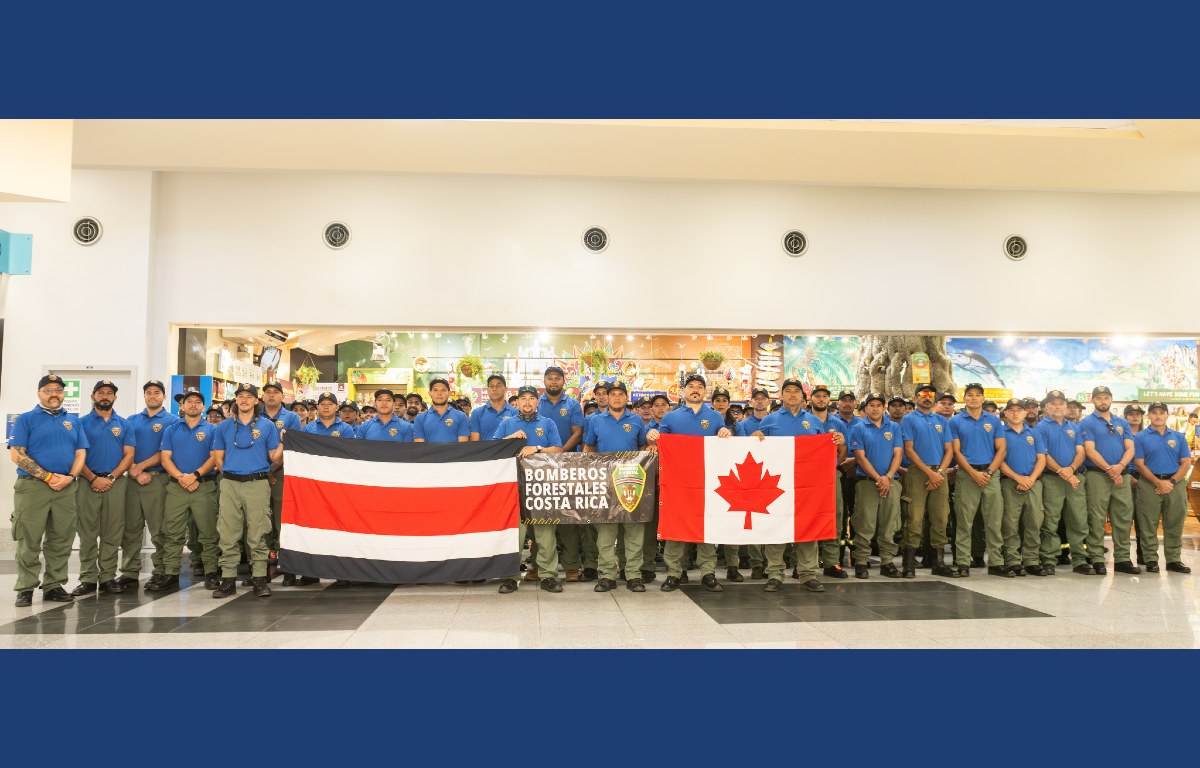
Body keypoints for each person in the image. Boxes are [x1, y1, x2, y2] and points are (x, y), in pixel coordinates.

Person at [749, 377, 840, 592]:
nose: (792, 395)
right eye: (787, 391)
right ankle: (774, 573)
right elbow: (758, 453)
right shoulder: (769, 421)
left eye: (796, 392)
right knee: (776, 528)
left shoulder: (814, 422)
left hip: (807, 485)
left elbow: (825, 450)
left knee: (808, 527)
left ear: (803, 396)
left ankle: (808, 573)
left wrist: (836, 440)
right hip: (777, 483)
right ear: (781, 396)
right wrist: (756, 438)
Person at [645, 374, 731, 592]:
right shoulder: (672, 417)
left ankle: (708, 572)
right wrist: (652, 435)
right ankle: (674, 572)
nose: (695, 390)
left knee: (707, 527)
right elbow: (657, 441)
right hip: (677, 483)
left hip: (707, 483)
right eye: (691, 386)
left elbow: (724, 448)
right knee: (676, 526)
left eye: (699, 387)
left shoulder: (715, 417)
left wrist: (725, 433)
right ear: (683, 392)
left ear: (705, 392)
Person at [9, 374, 88, 607]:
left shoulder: (73, 421)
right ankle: (25, 588)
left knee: (61, 538)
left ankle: (54, 585)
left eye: (58, 390)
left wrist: (71, 477)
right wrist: (48, 476)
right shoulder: (25, 419)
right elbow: (17, 454)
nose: (54, 393)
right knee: (28, 539)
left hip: (65, 488)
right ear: (38, 393)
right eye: (48, 389)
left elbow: (80, 453)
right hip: (33, 488)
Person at [211, 383, 283, 598]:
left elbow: (274, 457)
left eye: (248, 397)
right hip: (230, 483)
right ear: (236, 401)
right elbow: (218, 459)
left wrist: (283, 442)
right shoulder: (224, 427)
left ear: (256, 401)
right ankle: (228, 579)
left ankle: (259, 578)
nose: (244, 400)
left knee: (259, 531)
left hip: (257, 483)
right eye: (240, 396)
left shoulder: (267, 426)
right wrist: (234, 473)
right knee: (228, 531)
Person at [493, 385, 564, 594]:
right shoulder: (507, 424)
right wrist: (511, 439)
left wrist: (538, 448)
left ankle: (548, 575)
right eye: (522, 398)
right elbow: (492, 448)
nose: (527, 402)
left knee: (545, 535)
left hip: (542, 487)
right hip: (514, 488)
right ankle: (510, 577)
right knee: (514, 534)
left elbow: (558, 450)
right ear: (517, 402)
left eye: (531, 398)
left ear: (537, 402)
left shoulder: (548, 423)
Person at [583, 381, 649, 593]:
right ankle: (607, 575)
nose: (617, 398)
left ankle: (633, 575)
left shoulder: (637, 420)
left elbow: (642, 448)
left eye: (621, 394)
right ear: (607, 398)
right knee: (605, 533)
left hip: (631, 481)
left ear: (626, 398)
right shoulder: (595, 421)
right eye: (613, 395)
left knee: (634, 531)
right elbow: (589, 447)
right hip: (604, 483)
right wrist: (586, 469)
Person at [72, 380, 137, 596]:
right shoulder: (80, 423)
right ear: (93, 396)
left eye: (109, 393)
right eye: (101, 392)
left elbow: (129, 455)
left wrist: (110, 477)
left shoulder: (125, 424)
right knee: (88, 532)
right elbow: (77, 454)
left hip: (116, 483)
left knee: (113, 531)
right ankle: (88, 578)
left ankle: (108, 576)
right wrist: (92, 478)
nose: (105, 396)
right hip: (86, 482)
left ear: (115, 398)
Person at [158, 387, 221, 590]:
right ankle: (171, 573)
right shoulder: (172, 430)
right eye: (189, 401)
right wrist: (181, 477)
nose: (193, 405)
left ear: (203, 406)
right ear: (182, 406)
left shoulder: (212, 429)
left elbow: (214, 457)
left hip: (203, 486)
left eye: (197, 402)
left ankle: (211, 572)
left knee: (208, 532)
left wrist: (194, 476)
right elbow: (165, 457)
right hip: (177, 488)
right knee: (173, 533)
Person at [122, 380, 180, 591]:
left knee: (159, 529)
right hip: (133, 480)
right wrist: (135, 472)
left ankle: (163, 570)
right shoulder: (131, 421)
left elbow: (166, 452)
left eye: (157, 393)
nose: (152, 396)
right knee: (131, 528)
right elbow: (126, 450)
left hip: (158, 480)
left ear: (164, 397)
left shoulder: (172, 421)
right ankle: (129, 572)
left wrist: (142, 468)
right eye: (148, 393)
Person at [949, 382, 1006, 577]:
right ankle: (963, 562)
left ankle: (997, 562)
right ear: (964, 398)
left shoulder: (994, 421)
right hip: (967, 475)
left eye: (977, 395)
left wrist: (989, 472)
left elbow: (1001, 449)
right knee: (965, 521)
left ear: (983, 398)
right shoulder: (955, 421)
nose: (973, 398)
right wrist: (973, 473)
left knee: (994, 521)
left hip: (991, 474)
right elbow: (956, 451)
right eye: (970, 395)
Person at [538, 366, 590, 580]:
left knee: (567, 516)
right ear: (544, 381)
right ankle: (536, 564)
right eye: (549, 378)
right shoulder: (535, 402)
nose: (553, 382)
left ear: (563, 381)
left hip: (567, 464)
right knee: (539, 516)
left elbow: (577, 433)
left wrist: (560, 454)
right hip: (538, 467)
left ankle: (571, 566)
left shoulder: (572, 404)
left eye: (557, 378)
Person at [1080, 386, 1138, 574]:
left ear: (1111, 400)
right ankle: (1097, 558)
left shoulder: (1122, 422)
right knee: (1096, 517)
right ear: (1093, 401)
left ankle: (1122, 559)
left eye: (1106, 398)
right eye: (1099, 398)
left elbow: (1130, 448)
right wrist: (1109, 469)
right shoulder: (1087, 422)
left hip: (1122, 475)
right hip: (1097, 475)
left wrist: (1120, 467)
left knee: (1123, 517)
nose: (1102, 401)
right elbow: (1089, 450)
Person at [900, 383, 956, 578]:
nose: (927, 397)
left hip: (939, 473)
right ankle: (909, 564)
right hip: (917, 472)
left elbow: (949, 449)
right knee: (914, 517)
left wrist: (939, 472)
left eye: (931, 394)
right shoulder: (909, 419)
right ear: (916, 398)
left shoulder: (942, 420)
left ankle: (938, 562)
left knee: (940, 517)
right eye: (923, 394)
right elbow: (909, 449)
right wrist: (929, 473)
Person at [1035, 390, 1092, 575]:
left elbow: (1081, 451)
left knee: (1078, 519)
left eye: (1061, 403)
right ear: (1046, 407)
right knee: (1050, 521)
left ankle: (1080, 559)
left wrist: (1071, 470)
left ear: (1066, 407)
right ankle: (1049, 559)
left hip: (1075, 478)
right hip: (1052, 479)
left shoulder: (1074, 427)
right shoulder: (1040, 427)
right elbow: (1043, 454)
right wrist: (1063, 472)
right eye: (1053, 403)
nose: (1057, 406)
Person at [847, 393, 904, 579]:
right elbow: (860, 457)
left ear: (884, 407)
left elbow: (898, 454)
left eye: (879, 405)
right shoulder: (859, 428)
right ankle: (861, 562)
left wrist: (887, 476)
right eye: (871, 405)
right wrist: (879, 478)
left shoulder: (893, 427)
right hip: (867, 483)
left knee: (890, 524)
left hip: (891, 483)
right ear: (866, 408)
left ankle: (887, 562)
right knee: (865, 523)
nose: (875, 408)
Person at [1132, 402, 1193, 574]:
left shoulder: (1178, 437)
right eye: (1154, 413)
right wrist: (1157, 482)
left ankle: (1173, 559)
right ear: (1149, 416)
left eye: (1161, 413)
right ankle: (1151, 559)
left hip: (1175, 484)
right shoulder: (1140, 438)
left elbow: (1186, 463)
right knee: (1147, 523)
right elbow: (1138, 464)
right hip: (1149, 484)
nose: (1158, 416)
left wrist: (1171, 482)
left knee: (1174, 522)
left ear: (1167, 415)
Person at [997, 399, 1048, 576]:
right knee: (1010, 522)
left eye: (1020, 410)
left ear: (1026, 413)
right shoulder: (1000, 433)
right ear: (1005, 414)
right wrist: (1017, 477)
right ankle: (1012, 560)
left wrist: (1031, 479)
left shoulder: (1034, 433)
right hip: (1009, 482)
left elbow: (1042, 458)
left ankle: (1032, 560)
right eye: (1011, 410)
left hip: (1033, 483)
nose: (1016, 413)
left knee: (1034, 521)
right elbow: (999, 461)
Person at [806, 385, 850, 579]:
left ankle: (832, 562)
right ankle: (806, 562)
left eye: (825, 396)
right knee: (808, 516)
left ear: (829, 400)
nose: (821, 399)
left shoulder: (838, 423)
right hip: (808, 476)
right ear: (811, 399)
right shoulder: (804, 420)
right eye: (817, 396)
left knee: (834, 514)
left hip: (831, 475)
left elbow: (843, 452)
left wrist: (832, 464)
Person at [260, 380, 302, 575]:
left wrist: (273, 468)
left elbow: (292, 445)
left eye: (275, 392)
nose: (271, 395)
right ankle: (263, 559)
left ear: (282, 396)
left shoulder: (291, 417)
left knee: (281, 516)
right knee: (260, 517)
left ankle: (284, 559)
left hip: (282, 471)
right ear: (262, 396)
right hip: (258, 473)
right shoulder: (254, 415)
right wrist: (264, 470)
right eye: (267, 392)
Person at [414, 378, 470, 443]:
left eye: (443, 390)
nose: (439, 393)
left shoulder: (461, 416)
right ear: (430, 393)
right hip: (429, 453)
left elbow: (463, 447)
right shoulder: (420, 418)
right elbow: (419, 447)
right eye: (435, 390)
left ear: (449, 393)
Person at [469, 374, 518, 442]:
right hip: (486, 452)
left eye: (498, 386)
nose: (494, 389)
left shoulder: (516, 413)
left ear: (505, 389)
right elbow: (474, 443)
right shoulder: (477, 413)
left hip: (508, 452)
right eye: (491, 386)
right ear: (487, 389)